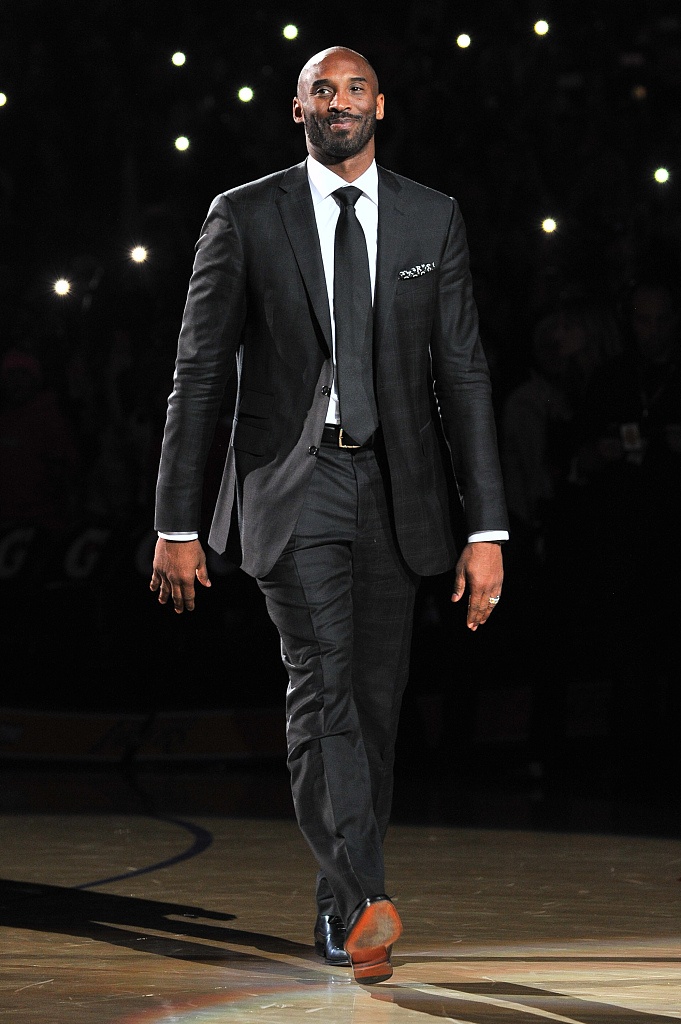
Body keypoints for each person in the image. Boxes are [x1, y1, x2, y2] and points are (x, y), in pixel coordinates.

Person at [150, 46, 508, 985]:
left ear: (380, 105)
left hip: (398, 489)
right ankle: (364, 904)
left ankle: (338, 902)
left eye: (354, 89)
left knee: (373, 710)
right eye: (322, 89)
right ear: (296, 108)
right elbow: (197, 372)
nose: (338, 101)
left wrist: (487, 528)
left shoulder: (431, 215)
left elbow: (463, 374)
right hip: (291, 484)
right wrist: (176, 521)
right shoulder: (244, 214)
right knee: (325, 688)